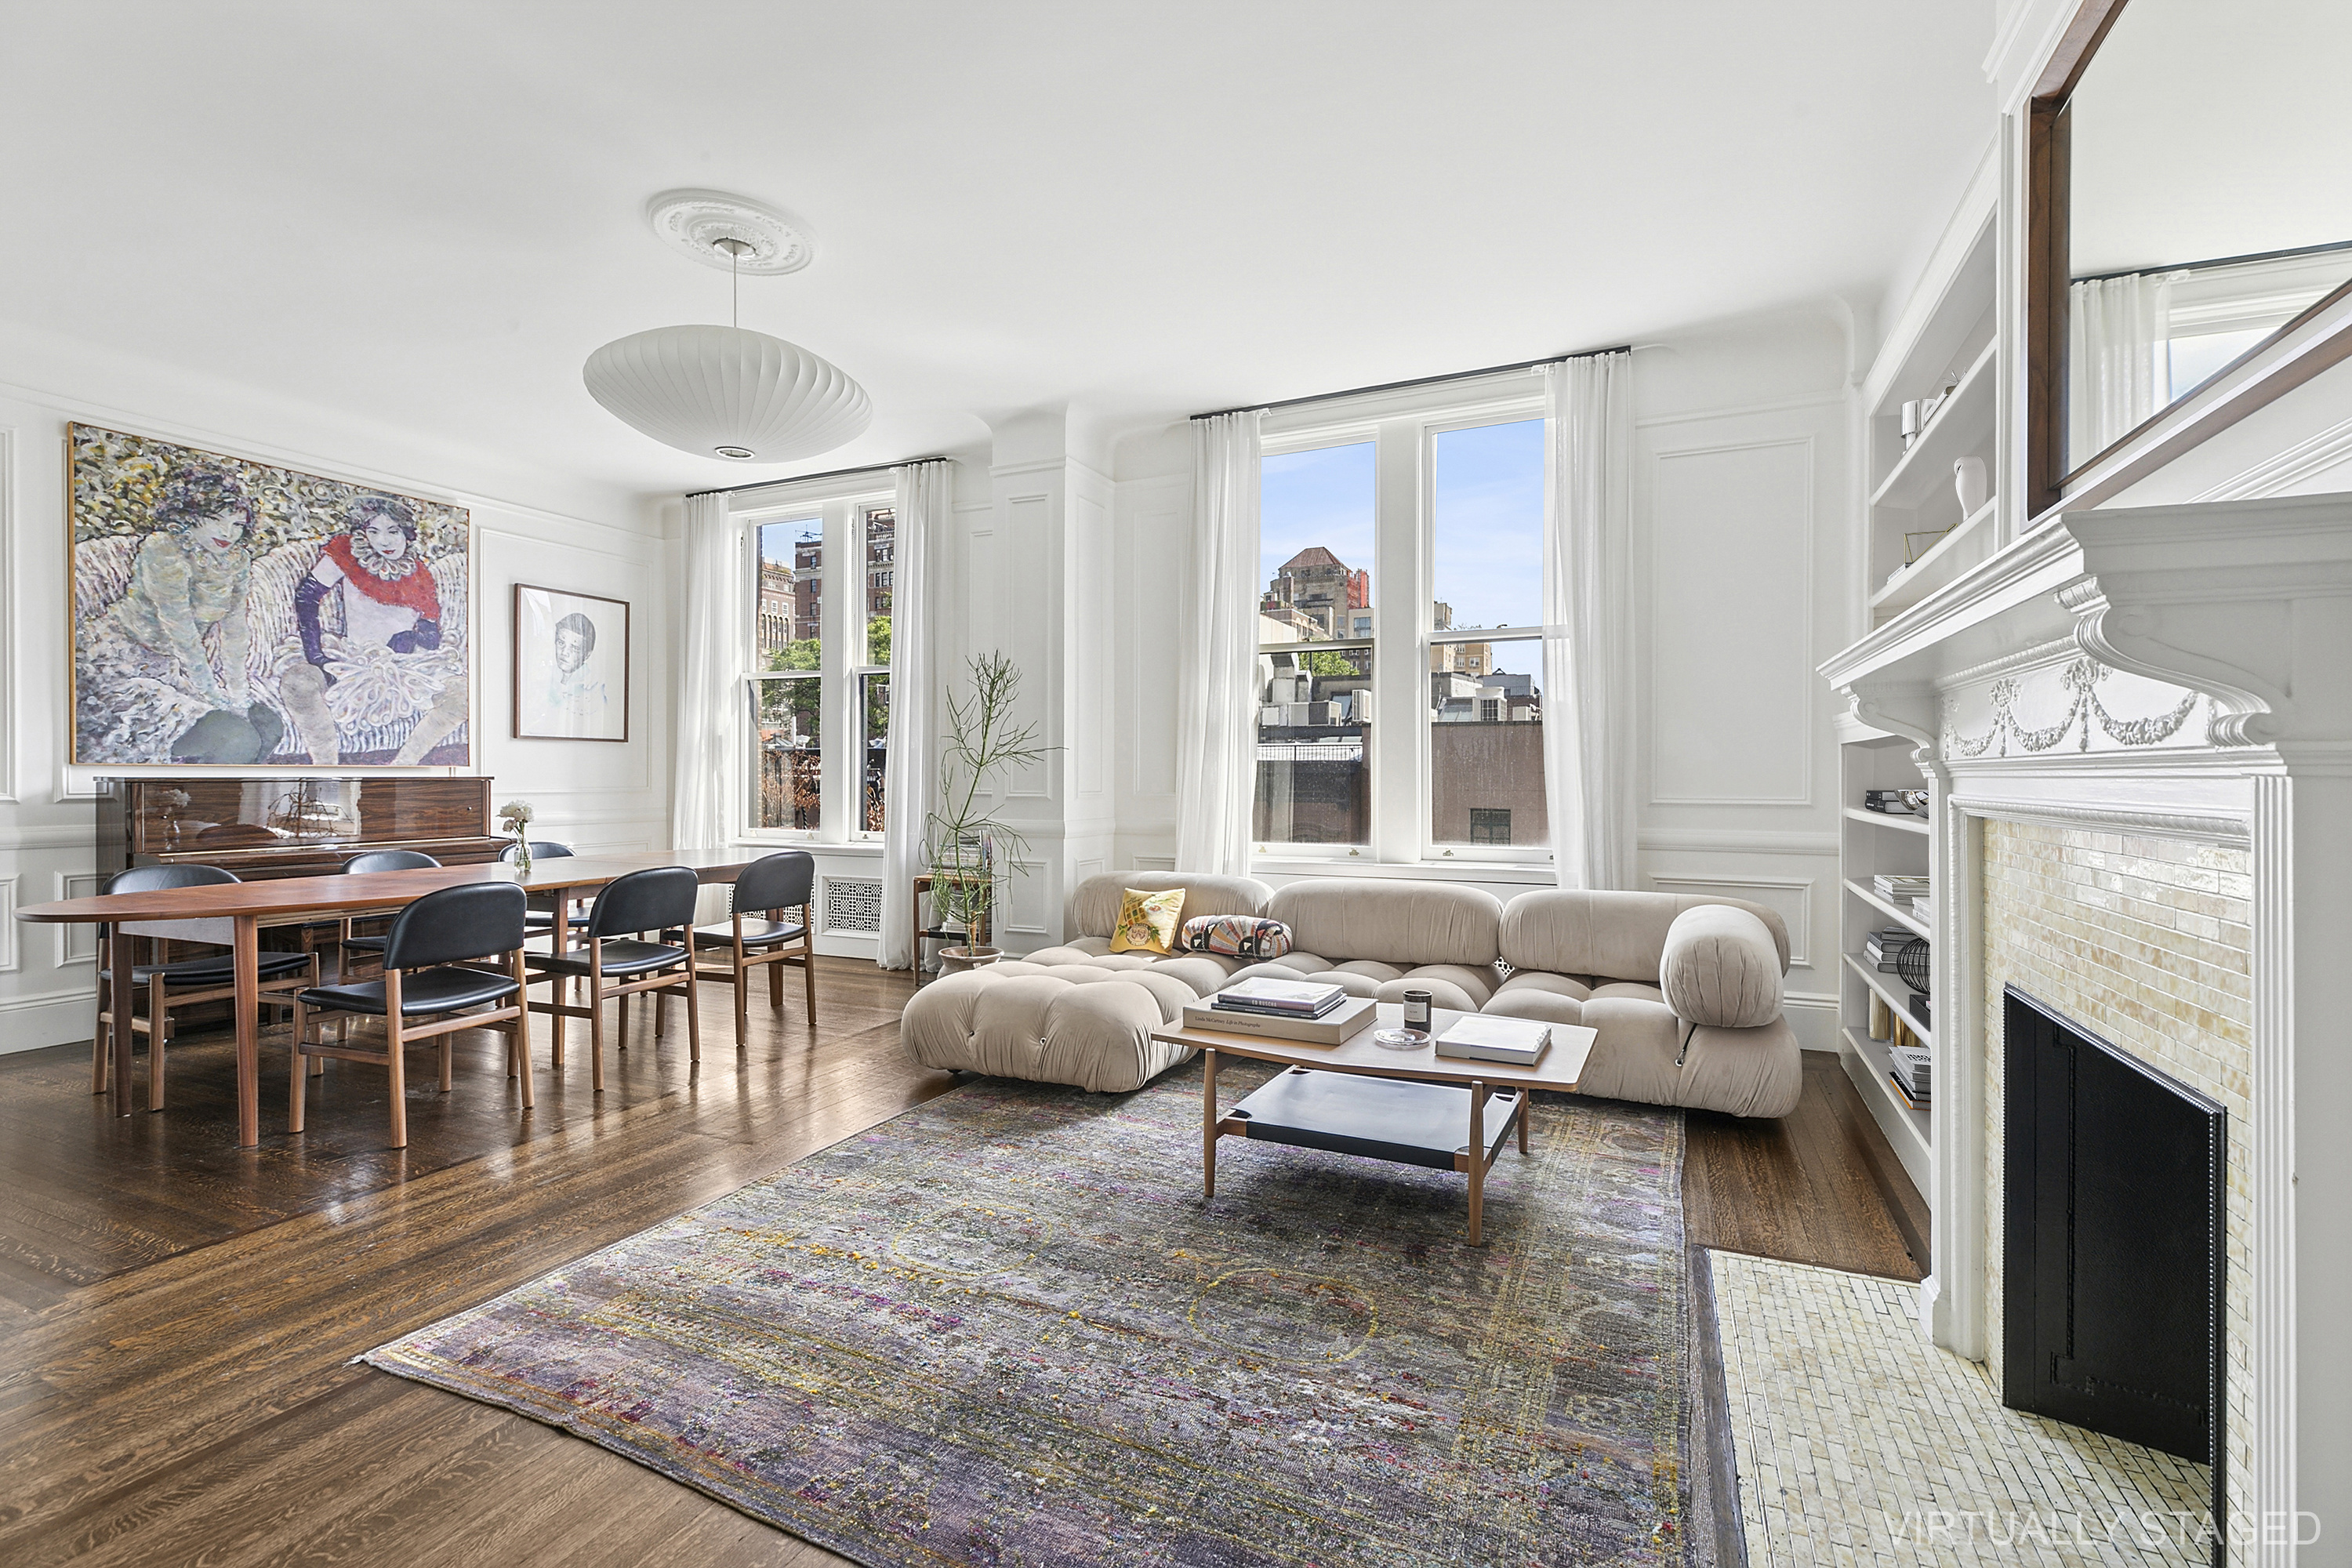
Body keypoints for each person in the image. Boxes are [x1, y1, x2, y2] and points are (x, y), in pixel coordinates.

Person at [77, 467, 270, 763]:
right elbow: (178, 627)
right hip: (119, 665)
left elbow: (235, 629)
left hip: (172, 668)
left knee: (268, 727)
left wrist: (239, 693)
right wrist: (212, 694)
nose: (226, 533)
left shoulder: (237, 560)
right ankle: (199, 805)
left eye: (237, 524)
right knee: (235, 735)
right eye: (215, 519)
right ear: (191, 514)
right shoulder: (164, 547)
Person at [281, 494, 467, 764]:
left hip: (406, 665)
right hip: (353, 658)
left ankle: (403, 766)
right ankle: (326, 770)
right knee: (297, 682)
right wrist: (316, 656)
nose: (384, 541)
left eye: (393, 531)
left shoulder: (419, 573)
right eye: (374, 531)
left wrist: (412, 639)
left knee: (463, 695)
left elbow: (430, 635)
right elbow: (306, 597)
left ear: (406, 533)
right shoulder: (348, 553)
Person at [541, 611, 608, 733]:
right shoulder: (545, 678)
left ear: (587, 655)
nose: (564, 652)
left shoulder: (592, 688)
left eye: (574, 648)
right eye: (561, 643)